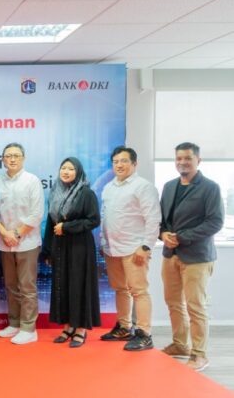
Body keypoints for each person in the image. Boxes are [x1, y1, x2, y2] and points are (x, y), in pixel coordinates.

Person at [159, 142, 223, 371]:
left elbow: (215, 222)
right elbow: (162, 220)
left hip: (197, 257)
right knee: (173, 303)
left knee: (195, 306)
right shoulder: (169, 187)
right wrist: (163, 233)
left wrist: (182, 237)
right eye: (179, 158)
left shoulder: (210, 188)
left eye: (187, 158)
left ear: (198, 160)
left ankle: (199, 353)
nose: (182, 162)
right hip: (170, 254)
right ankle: (180, 344)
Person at [100, 146, 161, 351]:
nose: (119, 165)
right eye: (116, 161)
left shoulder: (143, 187)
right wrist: (103, 242)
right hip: (112, 249)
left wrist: (146, 246)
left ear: (134, 163)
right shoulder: (108, 187)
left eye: (124, 161)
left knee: (139, 291)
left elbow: (153, 218)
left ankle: (144, 333)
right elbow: (105, 217)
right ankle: (124, 327)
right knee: (120, 289)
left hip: (135, 249)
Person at [42, 157, 101, 348]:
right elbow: (51, 222)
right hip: (60, 245)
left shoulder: (86, 193)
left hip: (80, 246)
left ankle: (81, 329)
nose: (66, 172)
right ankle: (68, 326)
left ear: (78, 172)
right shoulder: (55, 191)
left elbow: (93, 220)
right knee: (63, 285)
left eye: (70, 169)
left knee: (79, 285)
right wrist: (47, 250)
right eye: (63, 168)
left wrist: (67, 227)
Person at [0, 143, 44, 345]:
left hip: (27, 242)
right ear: (3, 159)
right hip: (5, 242)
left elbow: (36, 213)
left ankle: (29, 329)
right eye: (8, 156)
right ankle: (14, 324)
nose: (12, 159)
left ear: (23, 158)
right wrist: (5, 234)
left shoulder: (32, 181)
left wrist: (16, 234)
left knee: (27, 286)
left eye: (16, 155)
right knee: (11, 285)